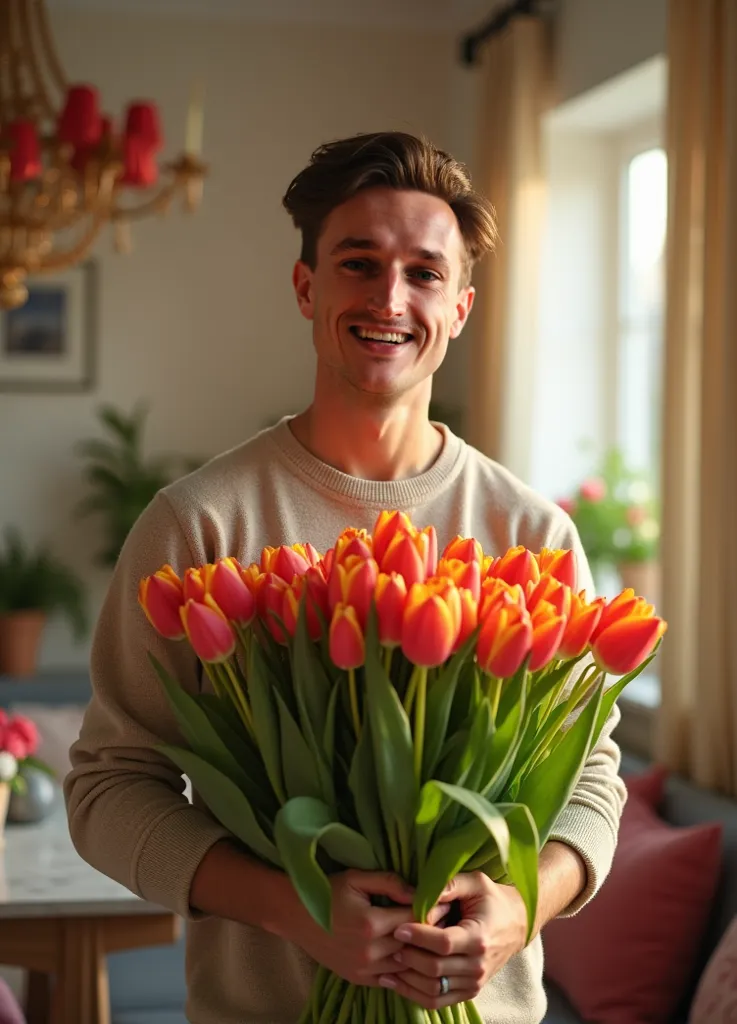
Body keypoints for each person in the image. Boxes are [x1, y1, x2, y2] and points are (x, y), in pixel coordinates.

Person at [65, 131, 626, 1024]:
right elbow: (107, 787)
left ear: (461, 306)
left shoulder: (529, 535)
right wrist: (295, 908)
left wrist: (525, 903)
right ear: (305, 287)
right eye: (358, 264)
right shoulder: (202, 525)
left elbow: (592, 776)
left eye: (423, 273)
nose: (389, 298)